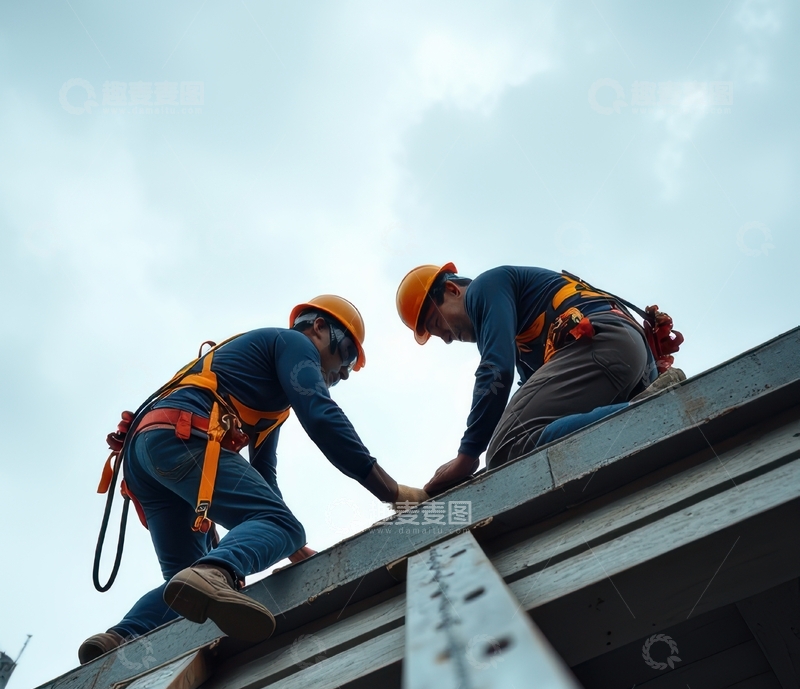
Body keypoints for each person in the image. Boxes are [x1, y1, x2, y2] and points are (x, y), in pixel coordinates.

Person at [80, 295, 426, 663]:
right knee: (273, 531)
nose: (343, 372)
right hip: (179, 434)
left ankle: (119, 638)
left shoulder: (268, 401)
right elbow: (322, 417)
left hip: (146, 451)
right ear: (320, 327)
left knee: (187, 586)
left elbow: (262, 476)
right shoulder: (292, 343)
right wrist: (392, 491)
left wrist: (290, 548)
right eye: (347, 355)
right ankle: (216, 572)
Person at [396, 262, 683, 496]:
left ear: (452, 290)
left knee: (506, 447)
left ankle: (648, 409)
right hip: (630, 361)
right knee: (519, 444)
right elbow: (529, 407)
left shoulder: (485, 287)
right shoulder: (526, 339)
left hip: (602, 340)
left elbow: (496, 369)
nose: (445, 339)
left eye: (437, 323)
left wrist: (467, 456)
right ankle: (643, 404)